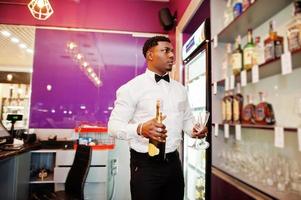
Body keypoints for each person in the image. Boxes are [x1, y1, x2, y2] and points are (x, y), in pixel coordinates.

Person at [108, 36, 208, 200]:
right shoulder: (131, 88)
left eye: (172, 51)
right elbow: (113, 126)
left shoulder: (180, 89)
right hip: (145, 164)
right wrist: (140, 129)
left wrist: (195, 130)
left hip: (174, 163)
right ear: (150, 55)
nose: (171, 55)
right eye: (165, 51)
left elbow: (187, 120)